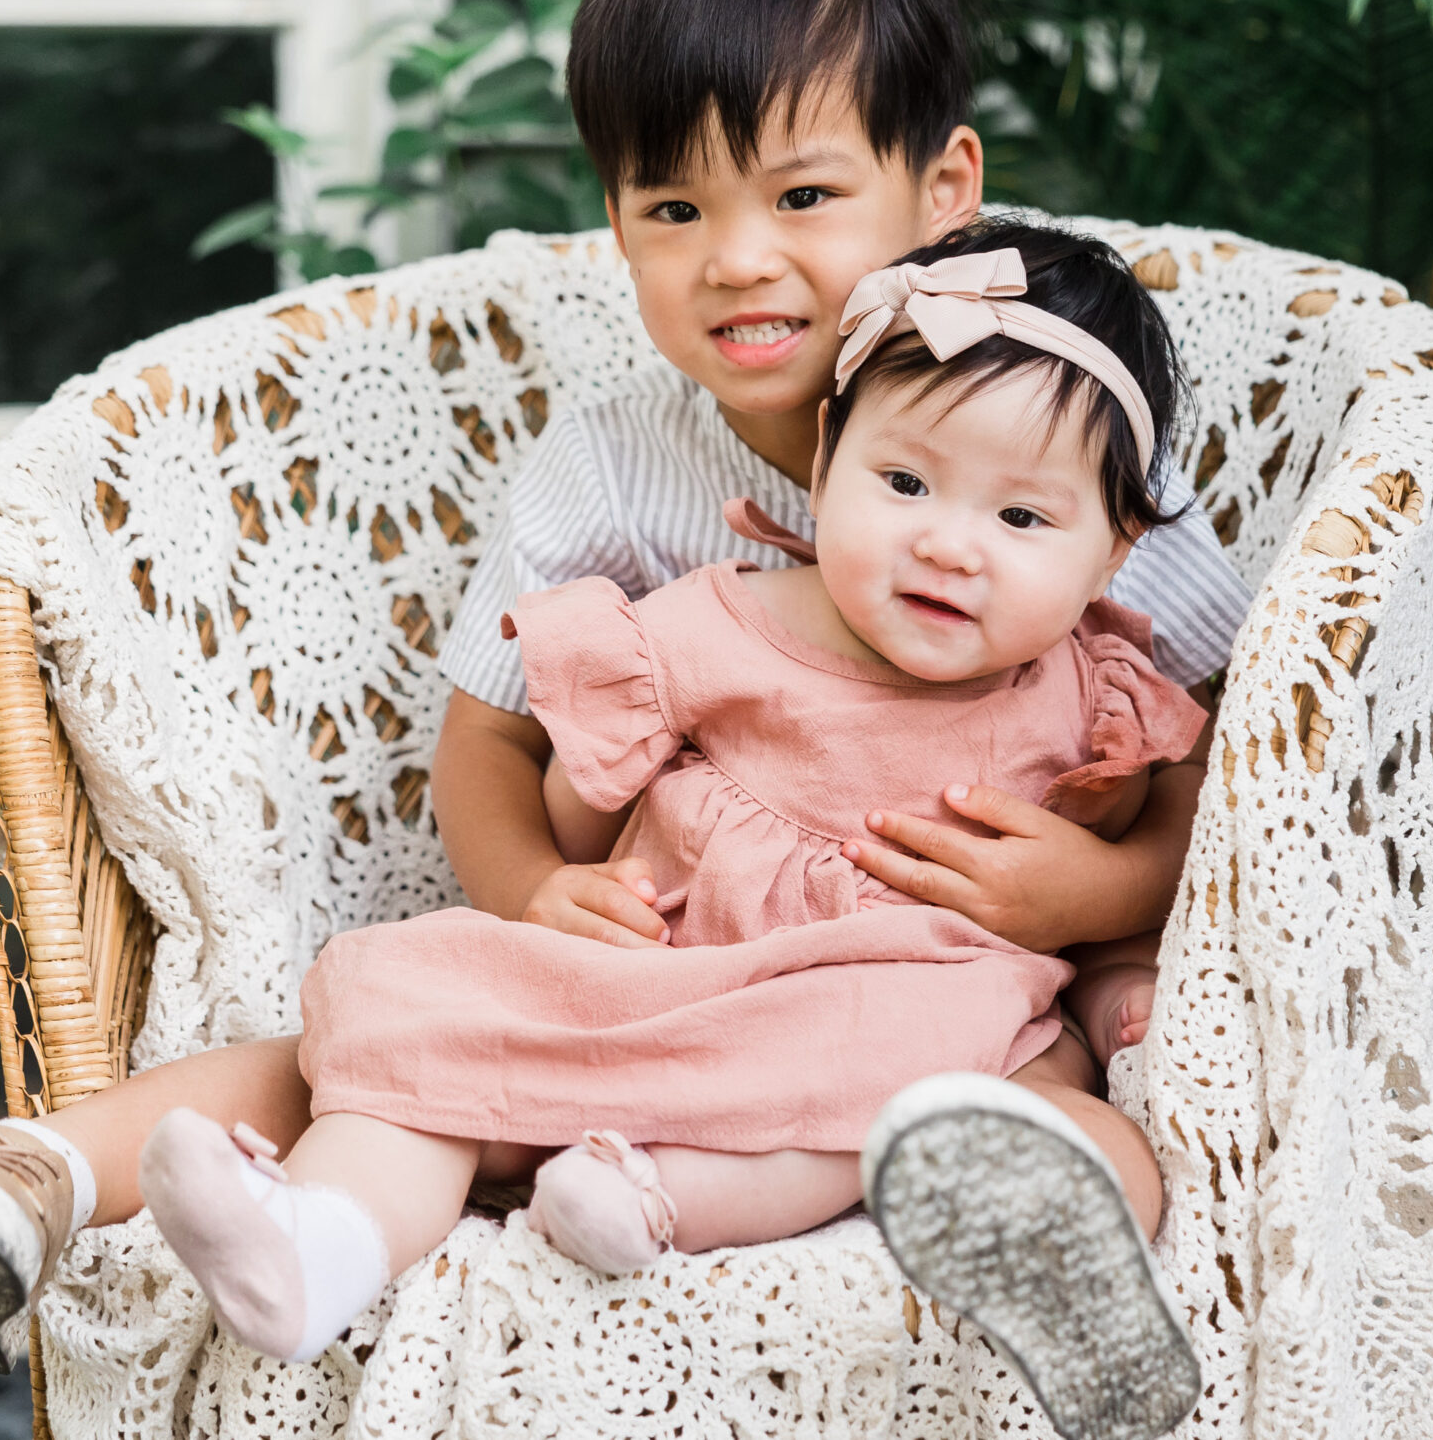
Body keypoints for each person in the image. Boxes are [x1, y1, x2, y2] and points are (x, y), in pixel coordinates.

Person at [0, 0, 1250, 1413]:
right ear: (616, 220)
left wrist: (1101, 884)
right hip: (662, 946)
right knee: (383, 1023)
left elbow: (1230, 750)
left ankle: (1073, 1274)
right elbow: (488, 742)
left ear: (945, 188)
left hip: (926, 977)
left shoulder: (1065, 442)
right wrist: (540, 890)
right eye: (673, 206)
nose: (739, 258)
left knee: (1028, 1100)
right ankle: (28, 1180)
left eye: (805, 195)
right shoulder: (622, 462)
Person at [135, 224, 1202, 1440]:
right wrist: (586, 834)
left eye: (1021, 517)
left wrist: (1119, 954)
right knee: (429, 1005)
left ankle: (1056, 1295)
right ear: (827, 455)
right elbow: (574, 799)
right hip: (669, 969)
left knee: (1067, 1128)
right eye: (903, 483)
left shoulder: (1094, 696)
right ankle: (320, 1243)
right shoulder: (723, 618)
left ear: (1111, 551)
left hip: (907, 1006)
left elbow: (1137, 872)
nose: (948, 543)